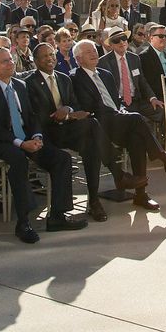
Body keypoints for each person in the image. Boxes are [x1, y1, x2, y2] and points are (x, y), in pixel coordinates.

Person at [0, 45, 87, 242]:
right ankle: (23, 221)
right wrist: (20, 143)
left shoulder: (20, 85)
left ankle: (58, 215)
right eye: (4, 61)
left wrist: (37, 137)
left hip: (25, 137)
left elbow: (31, 117)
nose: (10, 64)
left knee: (62, 159)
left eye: (10, 59)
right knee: (18, 159)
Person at [69, 39, 166, 211]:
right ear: (78, 59)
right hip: (98, 124)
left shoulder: (105, 74)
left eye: (94, 50)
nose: (93, 54)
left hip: (117, 120)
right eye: (88, 52)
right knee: (136, 118)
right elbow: (88, 105)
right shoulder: (75, 77)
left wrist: (121, 110)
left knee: (137, 139)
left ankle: (141, 195)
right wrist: (119, 113)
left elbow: (117, 100)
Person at [22, 42, 107, 222]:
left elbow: (75, 104)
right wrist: (64, 116)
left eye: (52, 55)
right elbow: (37, 116)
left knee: (91, 144)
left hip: (67, 131)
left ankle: (94, 200)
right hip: (47, 133)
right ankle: (112, 162)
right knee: (92, 130)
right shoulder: (29, 83)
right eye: (44, 56)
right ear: (36, 61)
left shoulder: (64, 78)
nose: (50, 59)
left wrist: (68, 109)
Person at [98, 28, 162, 122]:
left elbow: (142, 81)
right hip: (119, 103)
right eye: (116, 40)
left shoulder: (134, 58)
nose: (121, 42)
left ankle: (159, 136)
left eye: (123, 38)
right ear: (111, 45)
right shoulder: (103, 62)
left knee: (160, 110)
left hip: (136, 100)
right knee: (136, 119)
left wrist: (152, 98)